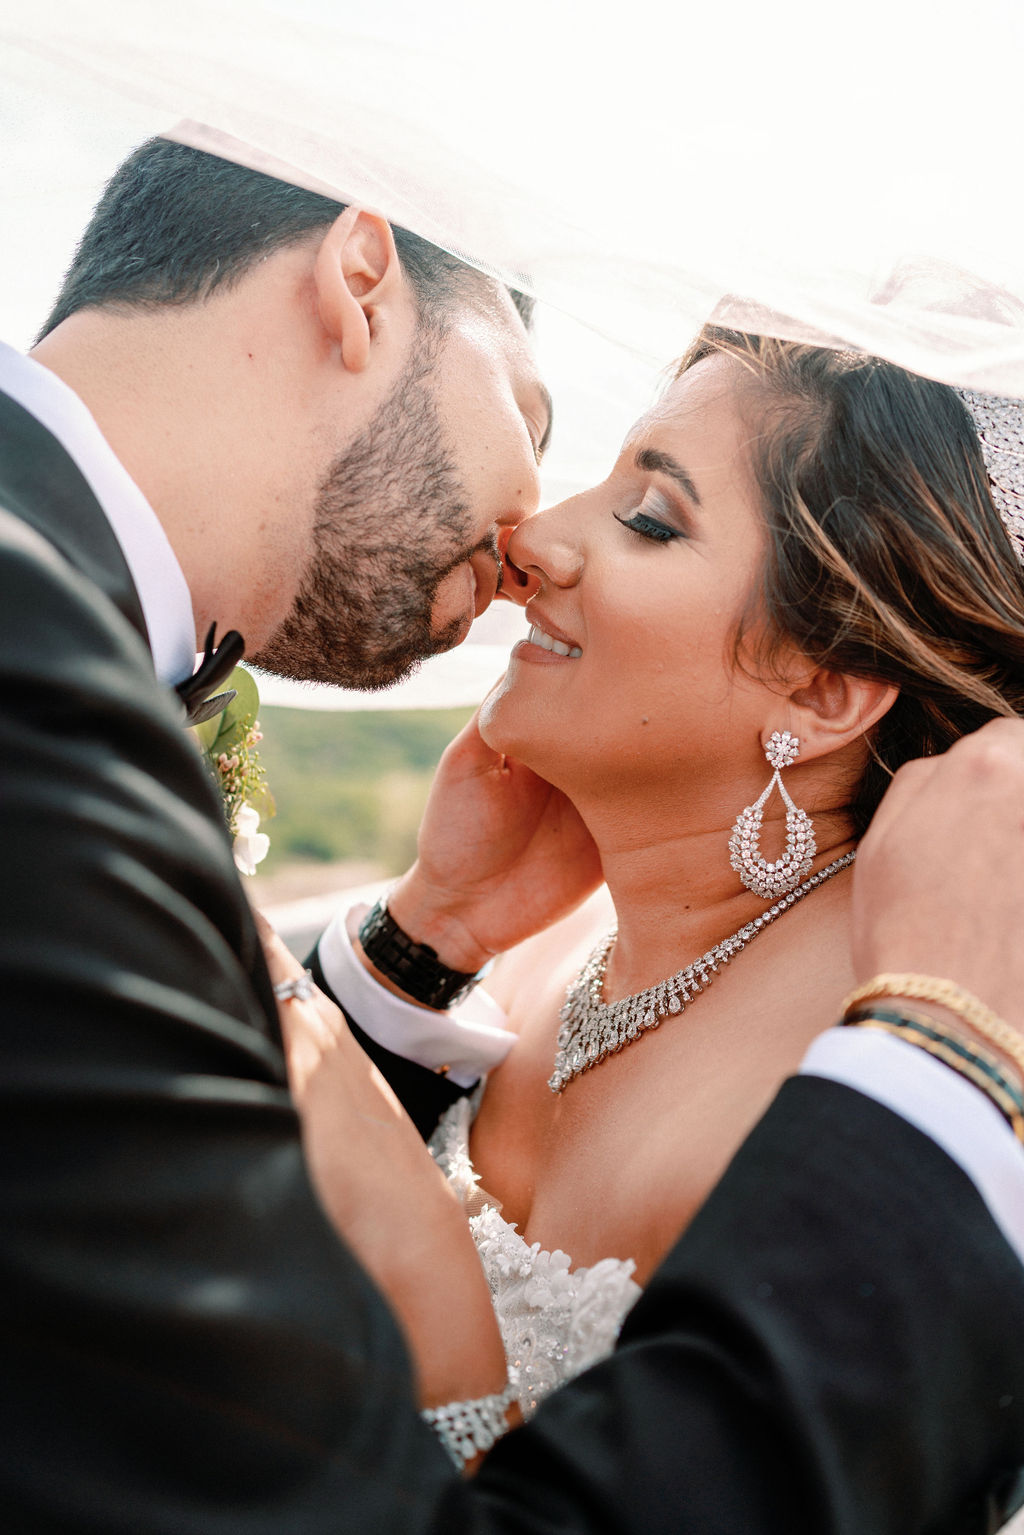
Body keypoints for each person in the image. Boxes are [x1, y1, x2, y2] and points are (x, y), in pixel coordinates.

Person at [1, 132, 1023, 1532]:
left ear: (831, 687)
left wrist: (422, 951)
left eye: (651, 519)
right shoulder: (40, 688)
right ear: (358, 281)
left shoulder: (901, 1032)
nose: (534, 534)